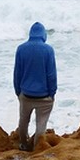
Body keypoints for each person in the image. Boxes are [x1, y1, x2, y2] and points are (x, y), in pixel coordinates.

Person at [13, 21, 57, 151]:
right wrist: (52, 93)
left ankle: (23, 144)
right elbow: (51, 75)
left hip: (25, 94)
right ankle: (36, 148)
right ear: (43, 35)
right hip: (44, 96)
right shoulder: (48, 50)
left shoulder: (21, 49)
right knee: (41, 125)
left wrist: (18, 92)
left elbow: (17, 73)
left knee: (23, 121)